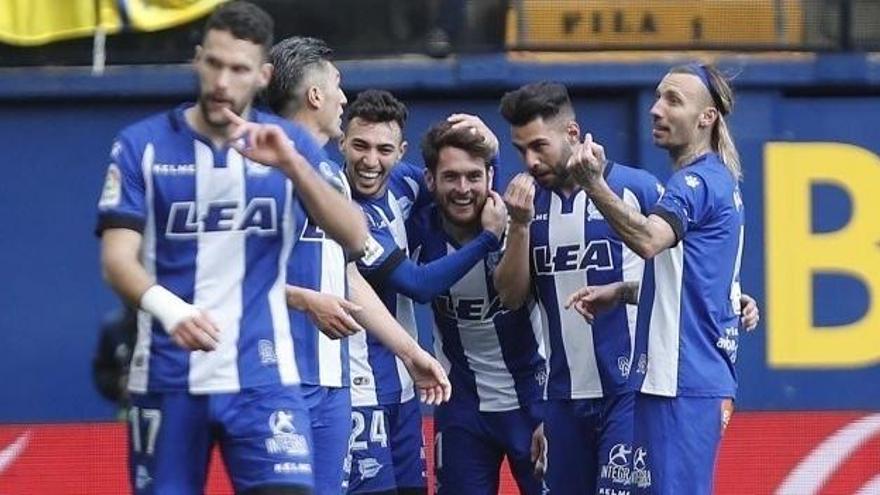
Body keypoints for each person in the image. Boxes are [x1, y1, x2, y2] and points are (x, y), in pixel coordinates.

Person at [96, 3, 370, 494]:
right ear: (198, 60)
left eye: (239, 69)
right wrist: (172, 311)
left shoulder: (288, 143)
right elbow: (117, 259)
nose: (223, 81)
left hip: (263, 376)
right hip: (168, 374)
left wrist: (293, 165)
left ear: (261, 75)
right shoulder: (142, 145)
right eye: (214, 64)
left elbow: (354, 237)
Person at [266, 36, 450, 495]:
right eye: (337, 85)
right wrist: (304, 300)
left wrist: (412, 353)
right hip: (277, 378)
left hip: (335, 382)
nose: (343, 98)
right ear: (314, 95)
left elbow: (347, 276)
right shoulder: (260, 167)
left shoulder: (330, 176)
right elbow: (226, 278)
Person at [565, 63, 746, 494]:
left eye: (673, 100)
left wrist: (593, 184)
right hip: (678, 380)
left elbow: (648, 240)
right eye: (658, 97)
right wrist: (623, 291)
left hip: (681, 380)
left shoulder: (696, 182)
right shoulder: (713, 181)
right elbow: (695, 283)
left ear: (707, 118)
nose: (655, 109)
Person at [494, 82, 663, 495]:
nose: (530, 161)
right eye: (520, 150)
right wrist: (517, 224)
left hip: (629, 393)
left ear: (572, 134)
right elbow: (511, 298)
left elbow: (684, 278)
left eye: (539, 146)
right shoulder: (525, 207)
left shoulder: (637, 189)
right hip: (563, 399)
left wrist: (737, 299)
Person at [340, 89, 507, 494]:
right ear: (341, 142)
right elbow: (417, 285)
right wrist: (487, 240)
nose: (370, 161)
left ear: (400, 151)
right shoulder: (341, 208)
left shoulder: (406, 183)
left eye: (383, 149)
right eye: (359, 146)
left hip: (401, 386)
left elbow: (462, 187)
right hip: (358, 389)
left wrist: (495, 152)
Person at [411, 119, 546, 494]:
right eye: (450, 177)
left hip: (534, 401)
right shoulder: (415, 229)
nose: (463, 189)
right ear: (430, 180)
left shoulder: (521, 223)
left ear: (491, 177)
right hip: (461, 407)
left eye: (474, 176)